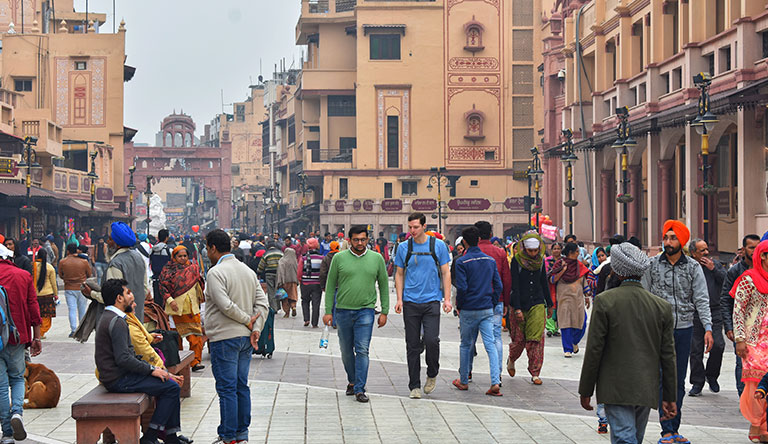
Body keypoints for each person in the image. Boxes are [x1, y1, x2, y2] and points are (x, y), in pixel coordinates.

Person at [579, 243, 677, 444]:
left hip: (615, 386)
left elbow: (594, 351)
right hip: (646, 386)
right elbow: (668, 357)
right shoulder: (662, 307)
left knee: (625, 438)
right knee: (633, 438)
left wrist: (586, 390)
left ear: (615, 270)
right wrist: (669, 396)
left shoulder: (605, 302)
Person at [641, 220, 713, 444]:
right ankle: (666, 430)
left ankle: (675, 428)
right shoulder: (651, 265)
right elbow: (643, 296)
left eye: (673, 238)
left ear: (681, 241)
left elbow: (701, 298)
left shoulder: (693, 267)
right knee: (663, 378)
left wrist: (708, 328)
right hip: (658, 331)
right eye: (665, 238)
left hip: (684, 329)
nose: (668, 242)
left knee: (679, 380)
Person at [95, 279, 183, 444]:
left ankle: (169, 436)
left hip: (118, 375)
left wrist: (153, 370)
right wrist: (152, 370)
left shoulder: (110, 317)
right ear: (119, 298)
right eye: (127, 293)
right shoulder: (117, 321)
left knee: (168, 382)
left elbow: (126, 356)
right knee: (171, 387)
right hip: (118, 380)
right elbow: (124, 359)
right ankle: (151, 437)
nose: (131, 296)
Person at [204, 229, 269, 444]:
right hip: (246, 339)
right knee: (241, 385)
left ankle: (228, 435)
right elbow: (263, 304)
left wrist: (247, 320)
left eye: (207, 248)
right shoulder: (248, 271)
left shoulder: (216, 272)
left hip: (224, 337)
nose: (207, 252)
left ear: (213, 248)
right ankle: (242, 434)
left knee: (227, 388)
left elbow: (224, 305)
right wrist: (255, 327)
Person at [322, 225, 389, 403]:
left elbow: (383, 285)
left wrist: (385, 311)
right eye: (356, 240)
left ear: (368, 239)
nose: (360, 243)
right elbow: (330, 286)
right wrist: (328, 311)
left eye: (363, 239)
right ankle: (352, 380)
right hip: (343, 310)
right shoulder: (339, 258)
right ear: (349, 240)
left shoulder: (376, 258)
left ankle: (359, 388)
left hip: (366, 311)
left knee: (362, 349)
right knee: (346, 351)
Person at [393, 213, 452, 399]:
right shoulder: (403, 247)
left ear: (424, 226)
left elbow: (445, 273)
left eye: (416, 227)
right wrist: (400, 299)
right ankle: (414, 386)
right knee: (412, 345)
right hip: (410, 301)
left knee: (432, 340)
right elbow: (399, 274)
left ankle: (432, 373)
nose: (412, 231)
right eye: (410, 227)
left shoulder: (438, 246)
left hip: (431, 300)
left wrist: (447, 299)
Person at [452, 226, 502, 396]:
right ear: (479, 240)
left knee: (466, 344)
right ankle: (495, 381)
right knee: (490, 344)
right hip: (486, 307)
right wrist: (493, 302)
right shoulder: (490, 260)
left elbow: (462, 288)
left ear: (464, 242)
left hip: (468, 308)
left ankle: (464, 380)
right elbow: (499, 285)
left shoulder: (461, 262)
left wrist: (460, 305)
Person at [0, 244, 42, 443]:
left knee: (0, 385)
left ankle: (7, 433)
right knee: (17, 378)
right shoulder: (22, 275)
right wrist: (37, 336)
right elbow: (33, 306)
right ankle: (17, 413)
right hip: (17, 336)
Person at [732, 239, 768, 441]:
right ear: (762, 256)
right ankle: (756, 422)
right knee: (755, 383)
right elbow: (738, 310)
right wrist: (740, 339)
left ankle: (764, 426)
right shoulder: (748, 279)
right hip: (753, 341)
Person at [82, 222, 151, 326]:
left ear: (116, 243)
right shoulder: (138, 258)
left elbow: (113, 297)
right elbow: (144, 290)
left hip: (119, 322)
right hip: (137, 320)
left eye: (110, 239)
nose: (107, 242)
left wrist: (91, 293)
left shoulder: (116, 264)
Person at [508, 231, 552, 385]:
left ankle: (535, 372)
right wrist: (518, 308)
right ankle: (512, 359)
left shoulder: (540, 261)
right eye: (530, 251)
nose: (533, 254)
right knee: (519, 340)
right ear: (524, 249)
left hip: (537, 303)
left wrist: (550, 304)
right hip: (519, 302)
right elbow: (515, 285)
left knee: (536, 339)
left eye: (535, 250)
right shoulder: (516, 261)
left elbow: (543, 283)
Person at [721, 234, 761, 396]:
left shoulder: (763, 268)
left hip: (761, 329)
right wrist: (729, 327)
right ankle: (743, 395)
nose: (755, 251)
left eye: (758, 247)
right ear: (743, 250)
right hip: (742, 327)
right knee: (742, 362)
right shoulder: (735, 271)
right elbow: (726, 299)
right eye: (752, 247)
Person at [686, 238, 726, 397]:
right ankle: (697, 382)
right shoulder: (688, 266)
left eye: (706, 249)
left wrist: (714, 269)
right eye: (702, 250)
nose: (706, 253)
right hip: (694, 313)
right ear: (693, 253)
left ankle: (712, 375)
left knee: (718, 345)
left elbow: (726, 281)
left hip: (714, 311)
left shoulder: (715, 265)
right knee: (695, 350)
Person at [474, 221, 512, 384]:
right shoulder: (500, 252)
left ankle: (466, 373)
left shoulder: (470, 253)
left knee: (470, 338)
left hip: (474, 301)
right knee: (496, 337)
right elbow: (506, 279)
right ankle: (498, 373)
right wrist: (506, 302)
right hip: (496, 300)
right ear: (490, 234)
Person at [159, 246, 206, 372]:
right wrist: (170, 301)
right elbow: (163, 287)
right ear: (174, 257)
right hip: (176, 308)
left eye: (185, 256)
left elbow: (199, 284)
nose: (183, 258)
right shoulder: (168, 270)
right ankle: (178, 362)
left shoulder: (193, 268)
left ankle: (195, 362)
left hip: (192, 308)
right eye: (180, 256)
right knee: (176, 337)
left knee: (195, 336)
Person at [549, 242, 590, 357]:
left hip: (578, 299)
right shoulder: (559, 264)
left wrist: (587, 295)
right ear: (570, 253)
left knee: (582, 322)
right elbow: (552, 280)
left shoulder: (579, 265)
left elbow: (584, 280)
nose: (578, 253)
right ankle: (567, 349)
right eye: (577, 251)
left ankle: (574, 342)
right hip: (564, 298)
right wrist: (563, 270)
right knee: (566, 323)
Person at [58, 243, 91, 337]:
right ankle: (82, 330)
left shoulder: (63, 262)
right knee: (82, 310)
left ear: (67, 251)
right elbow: (89, 274)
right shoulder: (84, 261)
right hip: (82, 287)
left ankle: (73, 330)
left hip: (69, 287)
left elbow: (60, 275)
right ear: (76, 250)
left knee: (72, 309)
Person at [298, 238, 324, 328]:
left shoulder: (304, 257)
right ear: (317, 245)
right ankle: (314, 323)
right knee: (316, 303)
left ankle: (306, 319)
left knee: (305, 301)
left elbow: (299, 271)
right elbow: (323, 272)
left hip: (305, 283)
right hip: (317, 284)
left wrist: (300, 280)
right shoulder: (321, 258)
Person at [32, 249, 57, 339]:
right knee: (46, 316)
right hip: (48, 295)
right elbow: (54, 283)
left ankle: (38, 332)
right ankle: (41, 332)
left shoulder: (33, 266)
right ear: (46, 256)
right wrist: (56, 294)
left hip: (35, 295)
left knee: (38, 314)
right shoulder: (50, 267)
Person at [257, 242, 283, 313]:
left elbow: (261, 265)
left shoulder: (266, 254)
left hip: (269, 274)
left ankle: (273, 308)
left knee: (271, 291)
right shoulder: (280, 253)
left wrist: (258, 272)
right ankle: (278, 306)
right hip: (279, 274)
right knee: (278, 289)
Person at [544, 242, 563, 337]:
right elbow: (545, 273)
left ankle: (556, 328)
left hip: (561, 286)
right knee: (550, 304)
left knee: (560, 306)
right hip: (549, 286)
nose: (556, 250)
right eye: (554, 248)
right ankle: (550, 328)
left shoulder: (563, 261)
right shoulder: (547, 260)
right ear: (551, 250)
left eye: (558, 248)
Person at [150, 229, 172, 306]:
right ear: (166, 238)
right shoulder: (168, 250)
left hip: (155, 278)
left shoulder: (152, 250)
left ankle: (158, 316)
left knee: (157, 300)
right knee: (165, 301)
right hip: (166, 280)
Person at [277, 247, 299, 318]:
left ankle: (287, 313)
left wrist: (280, 282)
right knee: (293, 296)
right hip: (293, 282)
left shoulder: (282, 261)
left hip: (285, 282)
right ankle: (293, 307)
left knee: (284, 298)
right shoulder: (295, 261)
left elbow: (280, 272)